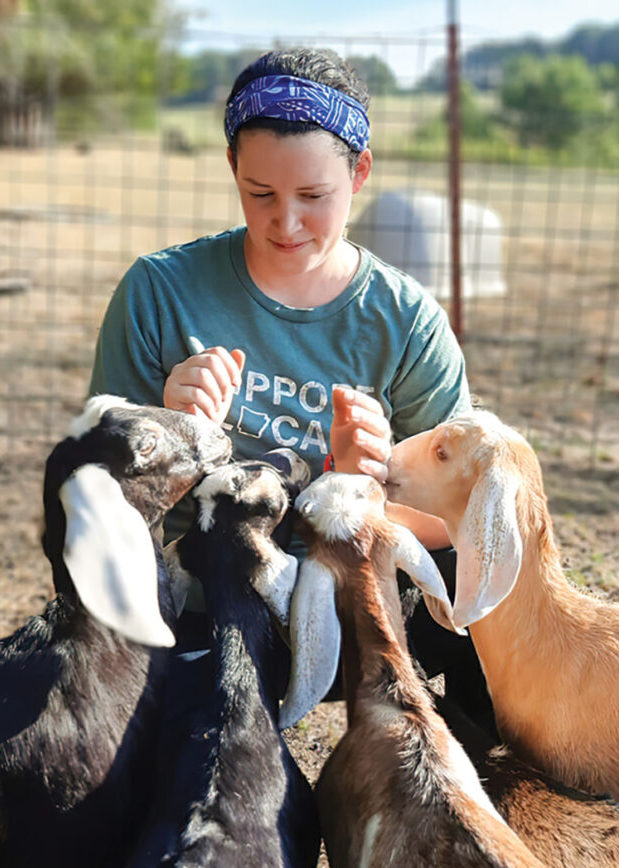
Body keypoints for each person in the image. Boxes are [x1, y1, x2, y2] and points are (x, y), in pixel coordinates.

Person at [89, 46, 494, 734]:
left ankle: (488, 769)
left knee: (492, 602)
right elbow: (97, 505)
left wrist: (372, 481)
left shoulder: (405, 320)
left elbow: (464, 528)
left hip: (359, 603)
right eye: (260, 194)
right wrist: (167, 435)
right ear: (231, 169)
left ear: (359, 173)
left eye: (313, 197)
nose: (285, 223)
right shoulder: (160, 291)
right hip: (211, 601)